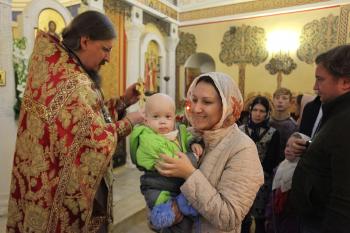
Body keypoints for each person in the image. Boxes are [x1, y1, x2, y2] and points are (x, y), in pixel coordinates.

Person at [6, 11, 144, 233]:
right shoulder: (72, 80)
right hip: (57, 194)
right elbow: (91, 139)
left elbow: (84, 118)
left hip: (42, 183)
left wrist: (122, 102)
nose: (108, 58)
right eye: (105, 49)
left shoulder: (58, 68)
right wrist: (130, 121)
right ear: (85, 41)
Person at [156, 72, 264, 233]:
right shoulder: (187, 135)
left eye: (206, 102)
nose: (196, 108)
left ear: (226, 106)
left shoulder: (242, 148)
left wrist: (189, 174)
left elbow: (229, 217)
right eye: (194, 100)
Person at [291, 45, 350, 233]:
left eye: (320, 80)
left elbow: (344, 200)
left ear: (345, 83)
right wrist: (311, 147)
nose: (314, 87)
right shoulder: (339, 111)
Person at [129, 93, 203, 231]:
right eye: (156, 117)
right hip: (158, 186)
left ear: (174, 118)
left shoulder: (179, 131)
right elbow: (172, 160)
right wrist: (194, 158)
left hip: (176, 184)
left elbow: (186, 138)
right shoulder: (147, 138)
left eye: (167, 117)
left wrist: (194, 143)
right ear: (146, 119)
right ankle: (163, 216)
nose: (162, 121)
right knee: (167, 213)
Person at [239, 96, 281, 233]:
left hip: (262, 181)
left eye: (262, 111)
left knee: (259, 220)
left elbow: (272, 160)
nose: (258, 114)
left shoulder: (273, 133)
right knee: (240, 216)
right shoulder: (240, 130)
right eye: (255, 110)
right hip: (240, 178)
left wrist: (257, 177)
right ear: (250, 111)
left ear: (267, 113)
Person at [265, 133, 309, 233]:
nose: (288, 149)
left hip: (292, 222)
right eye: (287, 146)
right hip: (275, 220)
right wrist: (268, 216)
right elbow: (272, 194)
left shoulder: (304, 172)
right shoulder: (281, 167)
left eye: (294, 147)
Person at [270, 87, 298, 158]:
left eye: (284, 98)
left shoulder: (293, 126)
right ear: (273, 100)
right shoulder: (267, 122)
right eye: (277, 98)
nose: (280, 101)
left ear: (290, 102)